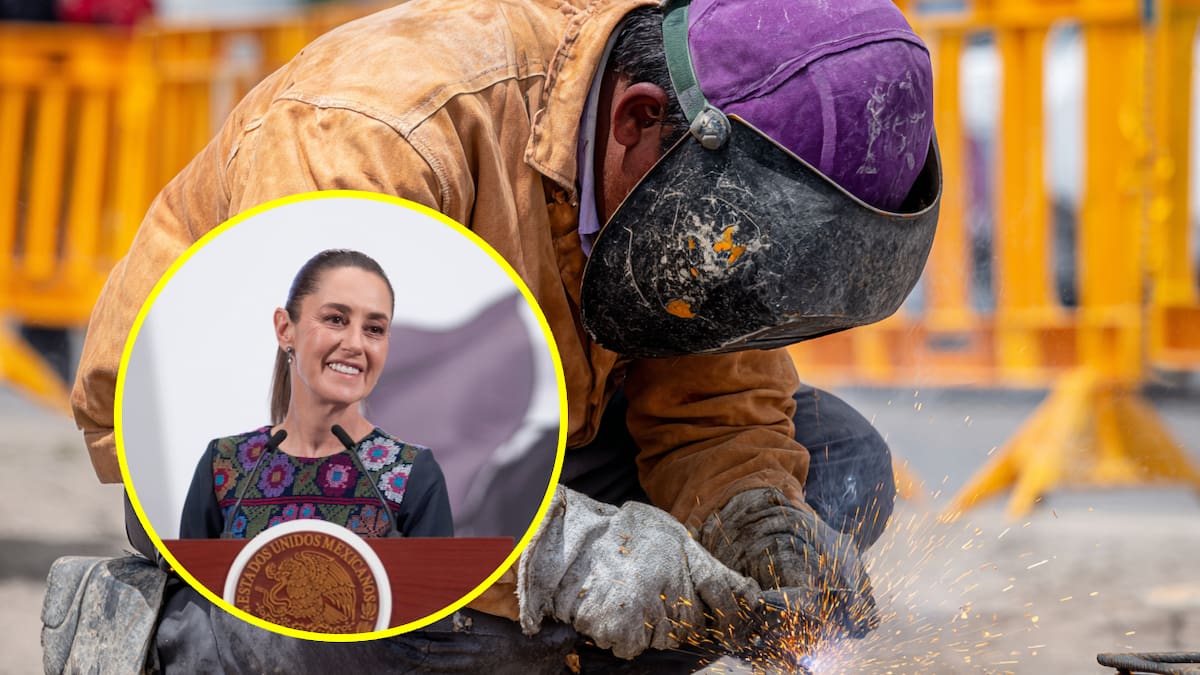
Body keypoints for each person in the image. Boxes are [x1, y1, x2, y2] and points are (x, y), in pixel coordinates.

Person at [70, 0, 942, 670]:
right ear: (638, 121)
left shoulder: (684, 171)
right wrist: (566, 558)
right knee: (372, 621)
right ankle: (175, 639)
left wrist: (753, 515)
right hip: (277, 472)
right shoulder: (378, 131)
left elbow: (712, 400)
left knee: (836, 464)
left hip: (524, 439)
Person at [178, 248, 453, 540]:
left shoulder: (412, 473)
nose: (355, 344)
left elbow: (440, 585)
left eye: (374, 328)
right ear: (285, 329)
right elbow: (184, 584)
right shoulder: (224, 465)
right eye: (335, 319)